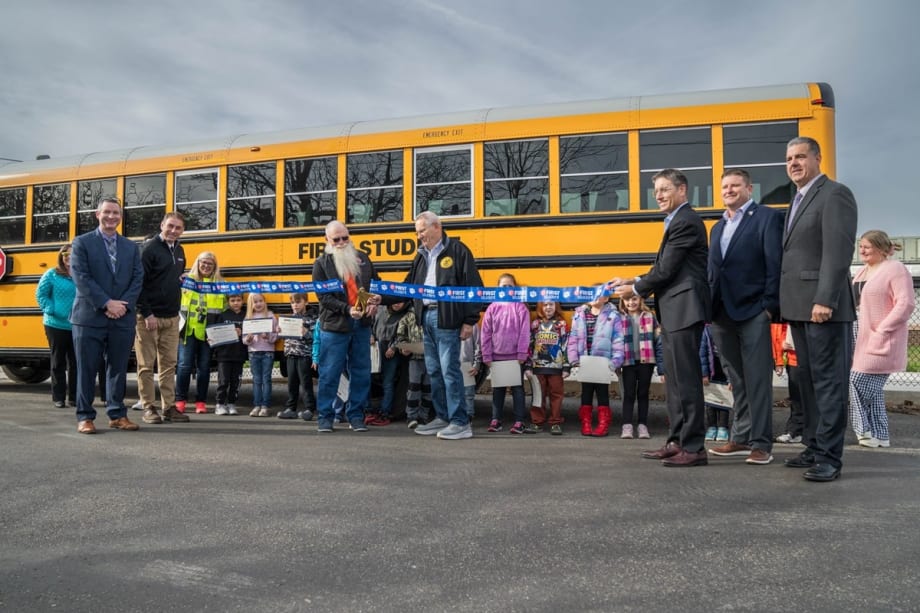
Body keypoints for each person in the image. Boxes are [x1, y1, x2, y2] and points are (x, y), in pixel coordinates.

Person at [612, 168, 711, 467]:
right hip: (673, 310)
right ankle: (676, 440)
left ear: (682, 190)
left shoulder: (686, 221)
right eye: (656, 190)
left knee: (687, 380)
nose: (659, 195)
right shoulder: (677, 221)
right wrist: (636, 278)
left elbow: (667, 270)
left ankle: (694, 447)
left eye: (665, 189)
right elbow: (667, 268)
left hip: (684, 308)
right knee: (674, 381)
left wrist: (635, 287)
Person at [780, 137, 858, 482]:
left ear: (818, 158)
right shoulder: (796, 200)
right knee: (808, 383)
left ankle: (829, 457)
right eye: (789, 158)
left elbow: (838, 251)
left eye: (800, 156)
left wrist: (825, 298)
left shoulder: (834, 194)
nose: (794, 163)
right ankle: (812, 445)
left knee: (828, 383)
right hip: (799, 307)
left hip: (822, 308)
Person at [706, 168, 784, 466]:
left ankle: (762, 443)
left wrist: (768, 307)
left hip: (754, 311)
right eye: (725, 186)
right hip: (721, 313)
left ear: (749, 189)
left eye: (735, 185)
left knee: (757, 380)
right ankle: (740, 437)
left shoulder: (765, 218)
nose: (728, 190)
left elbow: (774, 264)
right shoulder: (717, 227)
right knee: (737, 379)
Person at [69, 197, 144, 434]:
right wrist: (106, 303)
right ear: (97, 215)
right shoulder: (81, 243)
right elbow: (81, 277)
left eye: (116, 213)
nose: (111, 217)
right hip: (89, 317)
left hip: (122, 316)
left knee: (118, 368)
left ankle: (117, 414)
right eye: (107, 212)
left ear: (121, 217)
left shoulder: (131, 247)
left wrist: (122, 305)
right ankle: (85, 416)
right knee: (87, 369)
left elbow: (137, 278)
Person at [407, 211, 483, 440]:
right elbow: (408, 285)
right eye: (417, 232)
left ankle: (460, 421)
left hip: (447, 318)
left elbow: (473, 286)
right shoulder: (421, 256)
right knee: (434, 371)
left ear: (437, 227)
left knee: (450, 371)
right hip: (427, 318)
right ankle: (442, 416)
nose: (419, 236)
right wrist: (381, 295)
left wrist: (470, 320)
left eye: (422, 231)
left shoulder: (458, 251)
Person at [311, 220, 386, 433]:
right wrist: (346, 309)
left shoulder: (362, 258)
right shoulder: (321, 264)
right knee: (330, 373)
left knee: (362, 373)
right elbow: (323, 298)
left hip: (361, 325)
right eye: (337, 239)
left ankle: (356, 416)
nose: (342, 242)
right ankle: (325, 417)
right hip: (334, 327)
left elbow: (375, 284)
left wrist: (373, 302)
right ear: (327, 240)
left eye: (345, 237)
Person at [849, 230, 915, 448]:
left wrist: (883, 330)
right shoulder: (862, 271)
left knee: (856, 381)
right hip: (857, 332)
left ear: (880, 248)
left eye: (867, 246)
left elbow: (905, 304)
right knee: (873, 390)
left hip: (880, 336)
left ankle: (863, 431)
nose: (862, 250)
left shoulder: (896, 269)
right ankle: (881, 434)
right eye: (861, 246)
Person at [135, 212, 190, 425]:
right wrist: (146, 313)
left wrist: (180, 279)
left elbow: (169, 277)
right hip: (150, 317)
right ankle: (148, 407)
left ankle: (169, 408)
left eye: (178, 228)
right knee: (146, 365)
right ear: (162, 225)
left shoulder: (179, 249)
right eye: (170, 226)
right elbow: (138, 283)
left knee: (169, 365)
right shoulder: (148, 249)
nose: (174, 231)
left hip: (171, 317)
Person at [35, 244, 105, 409]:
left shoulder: (83, 275)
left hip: (78, 324)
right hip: (56, 324)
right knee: (58, 360)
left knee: (76, 362)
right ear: (61, 257)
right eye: (66, 255)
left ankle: (74, 397)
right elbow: (41, 294)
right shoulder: (52, 274)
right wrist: (50, 309)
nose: (69, 258)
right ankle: (58, 397)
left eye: (73, 255)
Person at [567, 289, 624, 437]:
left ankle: (603, 423)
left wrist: (615, 361)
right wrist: (573, 358)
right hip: (585, 360)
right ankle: (586, 423)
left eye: (598, 294)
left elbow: (618, 339)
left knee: (602, 392)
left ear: (606, 299)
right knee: (586, 392)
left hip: (602, 362)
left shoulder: (613, 316)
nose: (594, 297)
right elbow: (573, 337)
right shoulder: (580, 314)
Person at [176, 252, 227, 414]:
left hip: (208, 333)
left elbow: (224, 309)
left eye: (210, 264)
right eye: (203, 263)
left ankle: (201, 402)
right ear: (197, 263)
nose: (206, 266)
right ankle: (180, 400)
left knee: (204, 368)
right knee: (184, 366)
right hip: (188, 330)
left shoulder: (219, 284)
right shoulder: (186, 281)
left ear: (214, 267)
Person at [481, 273, 532, 435]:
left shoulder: (520, 307)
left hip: (515, 358)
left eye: (510, 286)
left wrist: (522, 353)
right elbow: (485, 333)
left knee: (518, 389)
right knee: (498, 390)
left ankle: (519, 420)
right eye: (503, 286)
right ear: (497, 288)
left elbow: (525, 332)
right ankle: (496, 419)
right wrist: (486, 355)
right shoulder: (492, 308)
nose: (506, 289)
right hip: (497, 357)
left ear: (515, 289)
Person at [617, 294, 659, 439]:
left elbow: (657, 338)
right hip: (628, 362)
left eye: (634, 299)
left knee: (643, 393)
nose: (631, 302)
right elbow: (616, 341)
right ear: (623, 301)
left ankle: (642, 425)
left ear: (640, 300)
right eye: (627, 300)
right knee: (628, 394)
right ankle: (627, 425)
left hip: (646, 361)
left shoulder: (649, 316)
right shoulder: (619, 317)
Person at [525, 299, 569, 436]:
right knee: (538, 395)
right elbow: (529, 345)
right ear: (540, 307)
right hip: (538, 367)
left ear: (556, 306)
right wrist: (528, 365)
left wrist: (566, 366)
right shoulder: (535, 324)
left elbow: (566, 345)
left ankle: (555, 422)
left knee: (556, 395)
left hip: (556, 367)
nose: (548, 307)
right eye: (545, 305)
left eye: (551, 304)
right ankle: (537, 422)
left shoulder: (561, 324)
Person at [367, 300, 410, 426]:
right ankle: (368, 410)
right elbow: (371, 324)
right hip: (377, 346)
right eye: (395, 301)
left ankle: (384, 411)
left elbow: (403, 334)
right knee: (368, 379)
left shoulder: (405, 314)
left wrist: (393, 347)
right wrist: (371, 335)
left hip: (391, 351)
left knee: (388, 382)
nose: (397, 304)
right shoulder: (381, 310)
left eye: (401, 302)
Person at [278, 293, 318, 420]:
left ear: (306, 302)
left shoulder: (312, 319)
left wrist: (306, 333)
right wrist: (280, 332)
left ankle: (309, 409)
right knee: (291, 383)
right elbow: (285, 337)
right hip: (290, 354)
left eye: (298, 302)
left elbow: (315, 339)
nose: (295, 305)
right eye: (292, 303)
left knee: (306, 383)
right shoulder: (289, 319)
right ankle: (291, 408)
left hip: (304, 355)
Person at [242, 292, 278, 417]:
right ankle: (257, 405)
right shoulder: (248, 318)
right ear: (251, 304)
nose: (258, 304)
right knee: (256, 380)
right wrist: (249, 339)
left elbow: (275, 337)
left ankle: (265, 406)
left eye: (260, 301)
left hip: (267, 352)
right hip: (253, 352)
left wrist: (267, 336)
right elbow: (244, 340)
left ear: (265, 302)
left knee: (266, 379)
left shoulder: (270, 316)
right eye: (255, 302)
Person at [396, 307, 432, 429]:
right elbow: (400, 333)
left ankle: (424, 416)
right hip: (414, 359)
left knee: (428, 389)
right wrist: (404, 346)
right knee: (413, 388)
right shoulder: (409, 316)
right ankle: (411, 416)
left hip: (430, 358)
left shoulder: (432, 314)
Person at [212, 293, 247, 415]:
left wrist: (242, 332)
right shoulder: (223, 315)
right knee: (223, 381)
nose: (236, 303)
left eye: (238, 300)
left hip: (239, 354)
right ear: (228, 302)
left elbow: (251, 334)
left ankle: (232, 403)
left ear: (243, 301)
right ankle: (220, 404)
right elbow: (214, 333)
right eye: (233, 300)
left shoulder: (246, 316)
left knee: (235, 382)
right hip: (224, 355)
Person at [772, 323, 803, 444]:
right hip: (793, 357)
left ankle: (797, 431)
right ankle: (795, 431)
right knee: (797, 399)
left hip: (800, 356)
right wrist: (779, 359)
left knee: (801, 399)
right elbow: (777, 332)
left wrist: (779, 359)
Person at [701, 324, 732, 443]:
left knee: (725, 400)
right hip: (711, 369)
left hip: (725, 369)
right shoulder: (707, 330)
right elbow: (702, 352)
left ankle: (723, 427)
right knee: (710, 400)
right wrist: (704, 374)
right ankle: (711, 426)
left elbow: (732, 354)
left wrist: (731, 378)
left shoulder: (728, 328)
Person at [459, 322, 482, 421]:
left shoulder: (473, 325)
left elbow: (478, 345)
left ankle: (469, 417)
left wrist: (476, 364)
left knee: (468, 394)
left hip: (467, 365)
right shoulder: (450, 322)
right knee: (453, 392)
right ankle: (455, 417)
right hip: (452, 364)